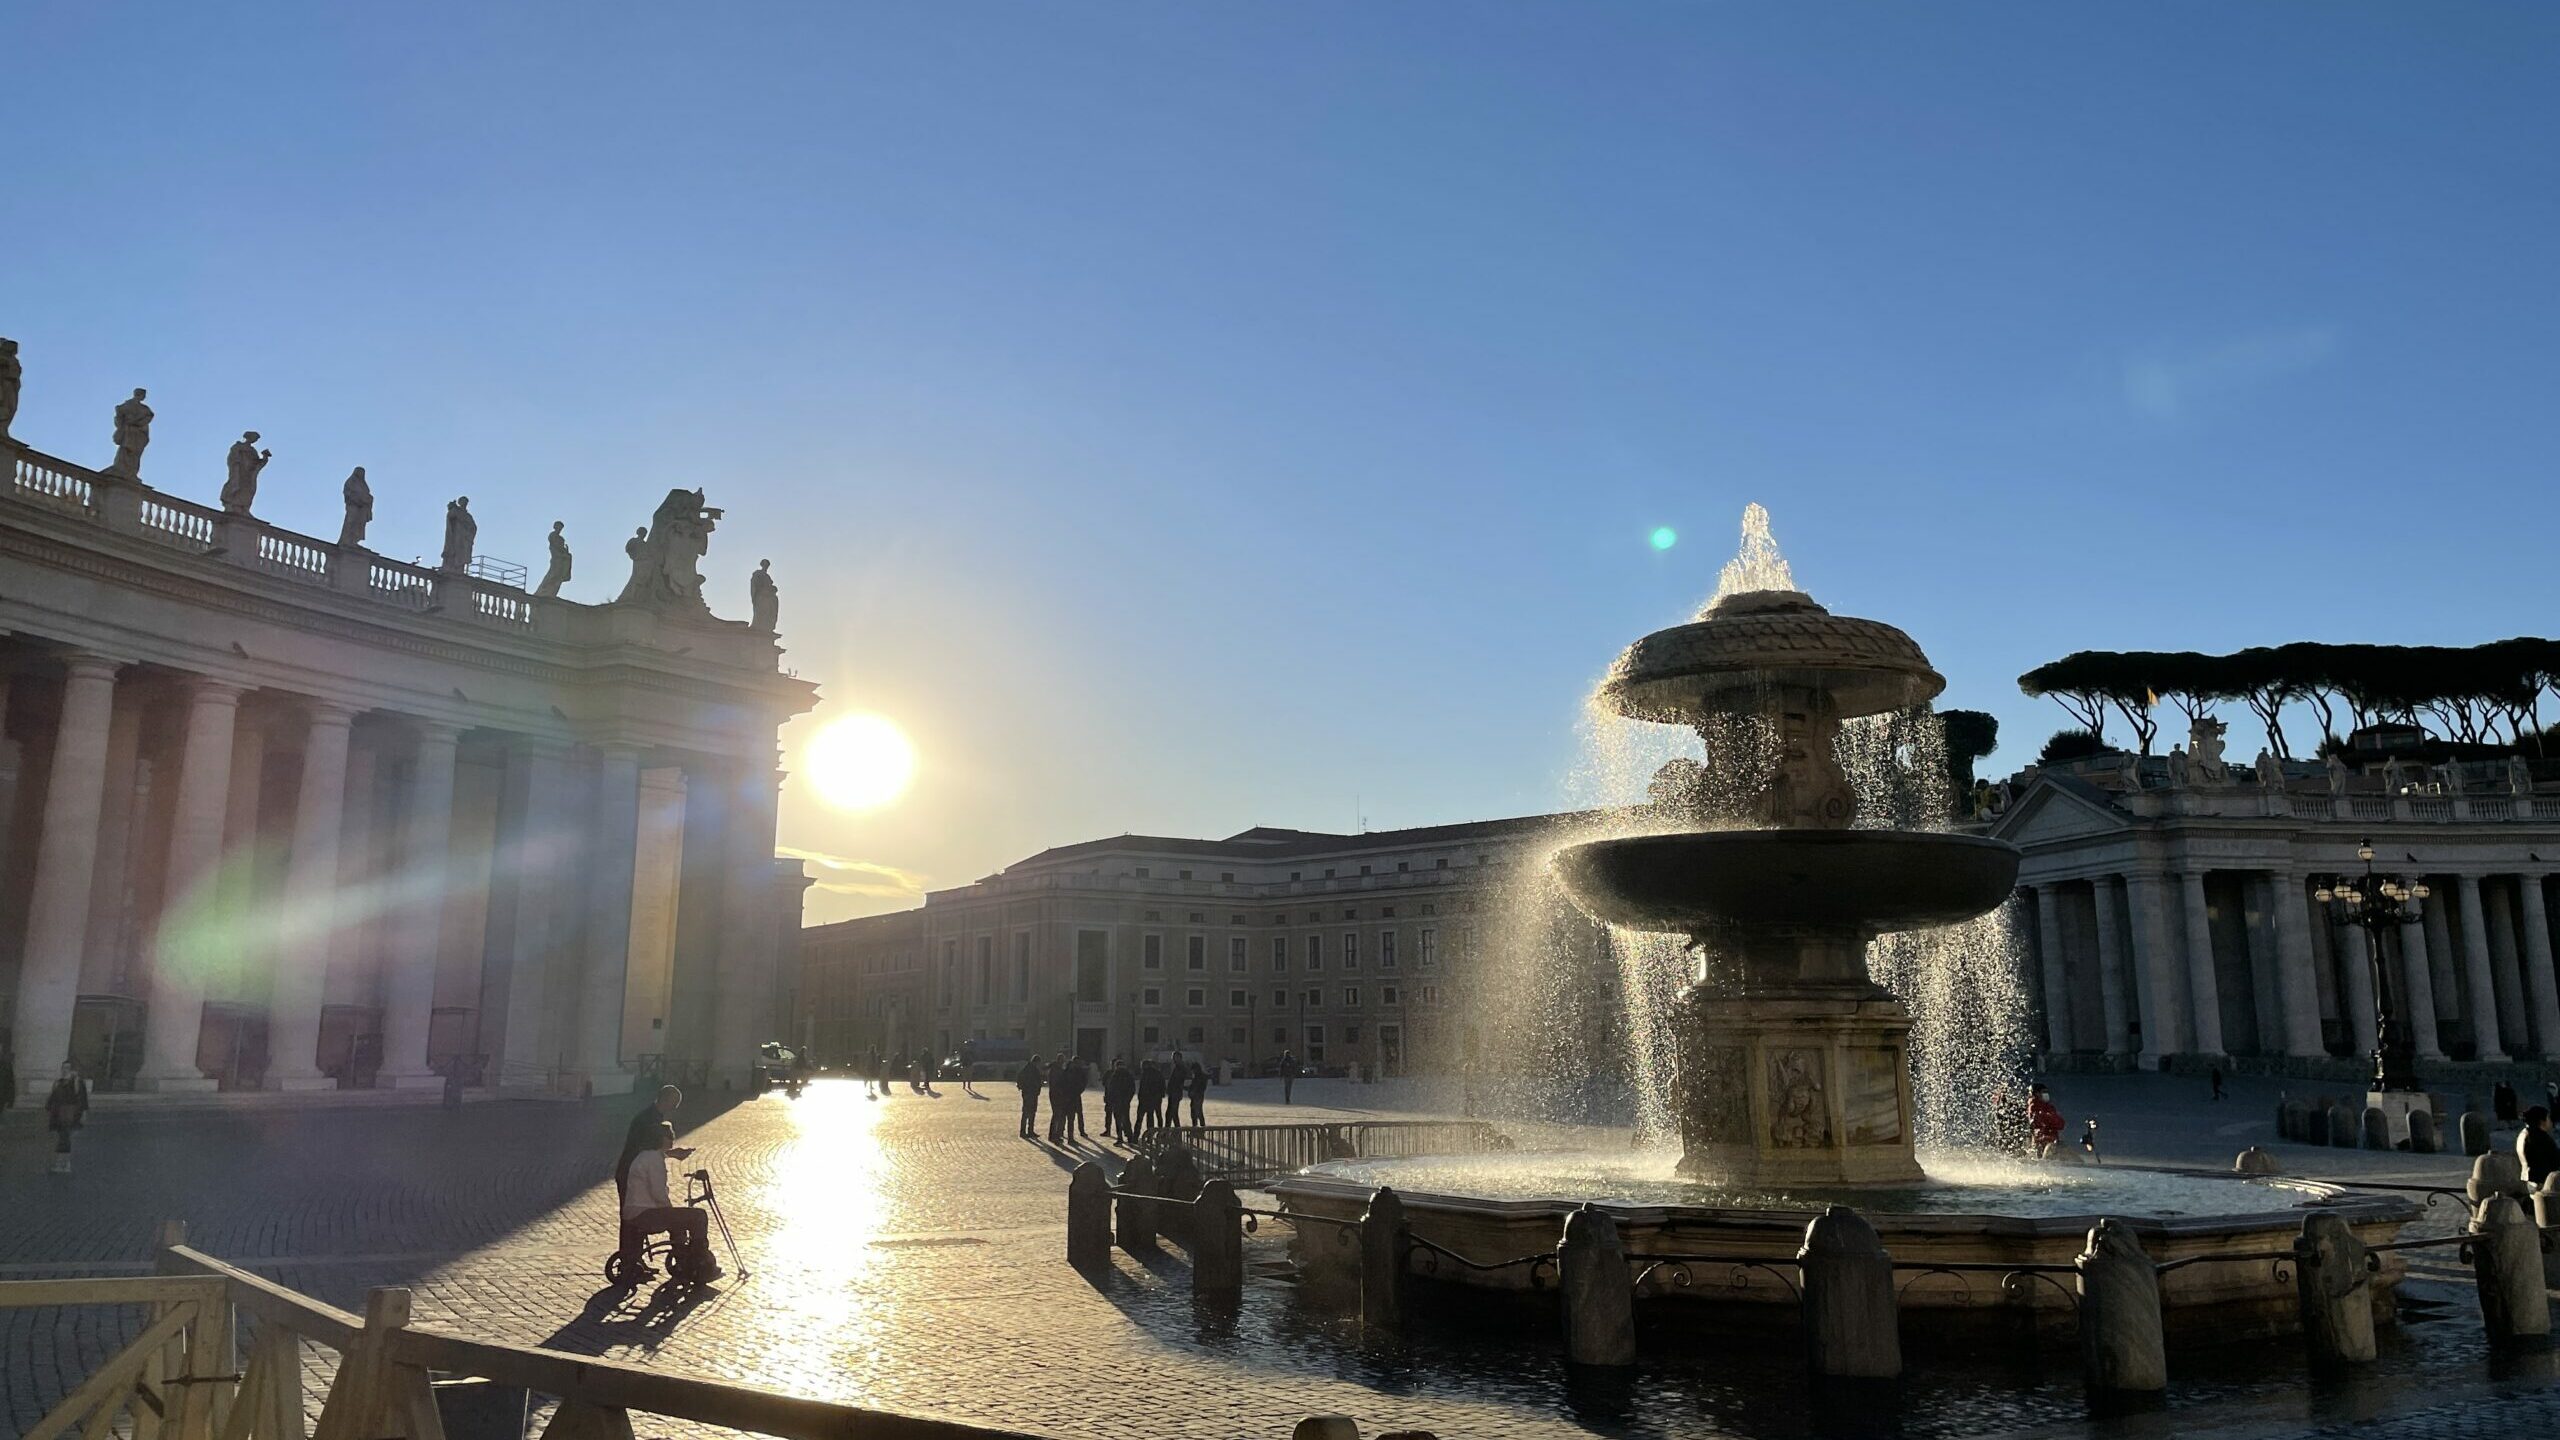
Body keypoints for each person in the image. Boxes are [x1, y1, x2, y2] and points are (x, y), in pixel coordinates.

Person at [621, 1122, 719, 1282]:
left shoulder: (646, 1155)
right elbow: (658, 1192)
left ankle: (683, 1258)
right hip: (645, 1213)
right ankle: (699, 1259)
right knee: (698, 1216)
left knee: (679, 1220)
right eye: (670, 1136)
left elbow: (661, 1157)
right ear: (660, 1139)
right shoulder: (654, 1160)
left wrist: (674, 1154)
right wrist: (670, 1211)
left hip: (636, 1210)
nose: (673, 1139)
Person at [616, 1085, 684, 1204]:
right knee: (632, 1214)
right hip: (631, 1172)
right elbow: (646, 1149)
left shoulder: (653, 1116)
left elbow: (651, 1149)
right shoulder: (648, 1120)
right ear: (665, 1100)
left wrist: (672, 1153)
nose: (674, 1108)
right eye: (674, 1104)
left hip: (634, 1170)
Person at [44, 1063, 89, 1175]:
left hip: (69, 1114)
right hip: (58, 1114)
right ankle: (62, 1163)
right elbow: (53, 1097)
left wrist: (83, 1114)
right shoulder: (58, 1082)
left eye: (68, 1068)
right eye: (63, 1068)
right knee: (62, 1138)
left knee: (64, 1138)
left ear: (72, 1070)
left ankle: (64, 1163)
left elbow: (83, 1099)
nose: (65, 1070)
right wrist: (48, 1107)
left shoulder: (76, 1082)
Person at [2519, 1107, 2560, 1188]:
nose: (2551, 1122)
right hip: (2542, 1182)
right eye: (2548, 1118)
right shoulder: (2540, 1137)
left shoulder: (2524, 1133)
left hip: (2528, 1179)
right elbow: (2553, 1159)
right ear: (2542, 1121)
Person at [2026, 1085, 2064, 1159]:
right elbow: (2037, 1125)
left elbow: (2061, 1124)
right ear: (2036, 1093)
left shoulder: (2048, 1107)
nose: (2046, 1094)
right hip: (2043, 1145)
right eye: (2044, 1092)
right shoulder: (2033, 1107)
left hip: (2052, 1141)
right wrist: (2049, 1117)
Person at [1103, 1058, 1136, 1142]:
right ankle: (1128, 1137)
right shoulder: (1127, 1075)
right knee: (1125, 1119)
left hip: (1117, 1101)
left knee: (1119, 1119)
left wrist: (1112, 1099)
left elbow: (1111, 1088)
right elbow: (1132, 1089)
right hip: (1122, 1101)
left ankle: (1121, 1137)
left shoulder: (1115, 1075)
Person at [1015, 1055, 1045, 1139]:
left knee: (1028, 1112)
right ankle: (1026, 1131)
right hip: (1030, 1093)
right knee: (1029, 1112)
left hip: (1030, 1093)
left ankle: (1027, 1130)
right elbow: (1034, 1081)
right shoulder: (1032, 1069)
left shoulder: (1027, 1068)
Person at [1135, 1060, 1165, 1138]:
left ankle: (1136, 1136)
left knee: (1139, 1118)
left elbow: (1143, 1088)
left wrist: (1140, 1097)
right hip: (1155, 1099)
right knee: (1153, 1117)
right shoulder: (1158, 1074)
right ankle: (1151, 1136)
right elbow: (1162, 1086)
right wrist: (1160, 1095)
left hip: (1145, 1099)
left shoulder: (1145, 1074)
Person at [1067, 1056, 1092, 1141]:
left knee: (1078, 1114)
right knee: (1071, 1116)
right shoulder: (1069, 1071)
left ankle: (1081, 1130)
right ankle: (1070, 1136)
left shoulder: (1078, 1071)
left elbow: (1084, 1082)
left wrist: (1079, 1090)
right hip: (1071, 1096)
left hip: (1075, 1095)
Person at [1185, 1062, 1209, 1128]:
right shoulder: (1197, 1076)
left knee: (1197, 1112)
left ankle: (1199, 1127)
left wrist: (1192, 1091)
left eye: (1193, 1070)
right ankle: (1198, 1127)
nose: (1192, 1072)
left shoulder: (1199, 1077)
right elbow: (1193, 1086)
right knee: (1196, 1112)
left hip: (1197, 1097)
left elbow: (1198, 1087)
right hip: (1196, 1096)